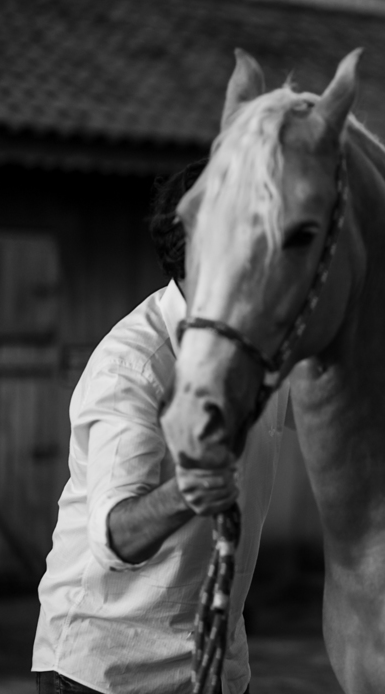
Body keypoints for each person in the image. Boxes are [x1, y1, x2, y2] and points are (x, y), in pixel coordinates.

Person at [32, 160, 288, 694]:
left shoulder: (267, 348)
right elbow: (116, 536)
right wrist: (186, 490)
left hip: (216, 666)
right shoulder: (134, 366)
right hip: (109, 671)